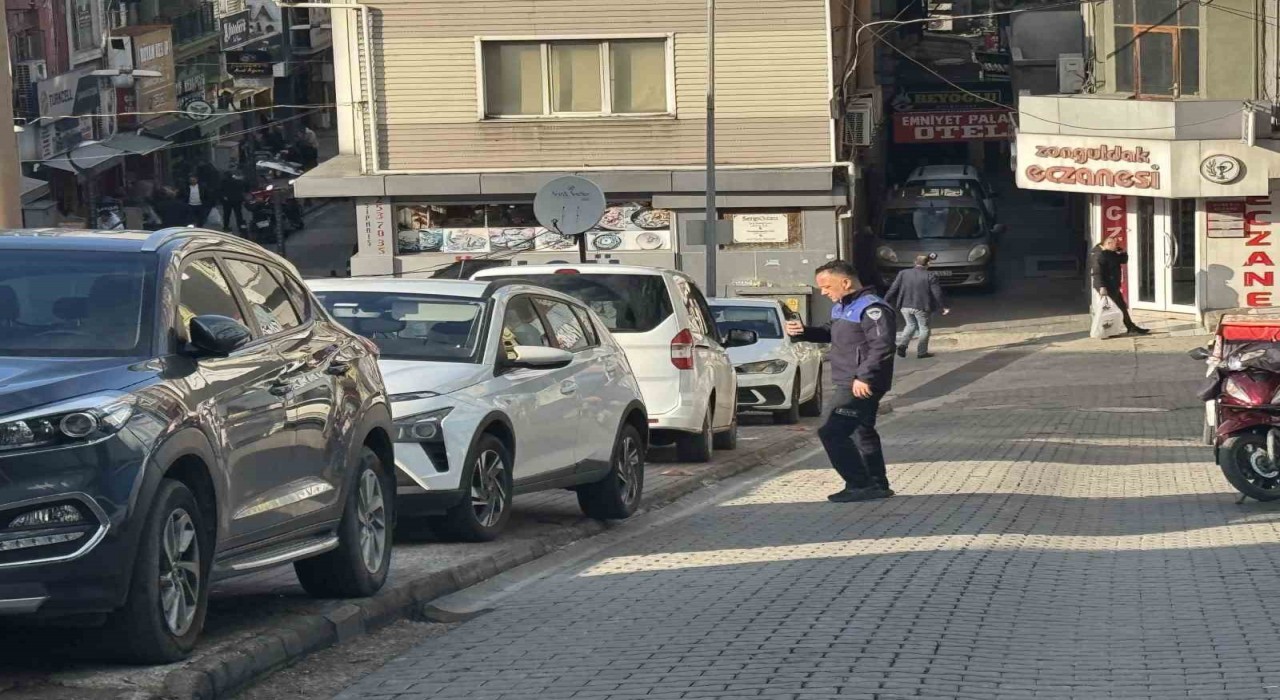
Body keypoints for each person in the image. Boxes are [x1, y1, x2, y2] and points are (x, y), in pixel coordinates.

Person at [785, 261, 897, 502]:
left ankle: (859, 484)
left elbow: (882, 346)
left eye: (826, 287)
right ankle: (877, 484)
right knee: (860, 431)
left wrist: (864, 377)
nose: (823, 293)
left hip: (859, 382)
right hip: (849, 379)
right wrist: (803, 331)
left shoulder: (871, 308)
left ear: (845, 282)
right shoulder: (843, 307)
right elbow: (831, 332)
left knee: (831, 432)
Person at [885, 254, 950, 359]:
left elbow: (893, 288)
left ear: (915, 262)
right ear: (928, 264)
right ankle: (922, 352)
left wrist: (885, 301)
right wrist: (944, 306)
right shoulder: (930, 275)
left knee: (910, 325)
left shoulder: (903, 273)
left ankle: (902, 345)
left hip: (904, 305)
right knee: (924, 328)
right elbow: (937, 293)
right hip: (922, 306)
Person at [1089, 234, 1149, 335]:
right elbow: (1097, 273)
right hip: (1107, 286)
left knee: (1121, 307)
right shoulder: (1099, 254)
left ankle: (1130, 327)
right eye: (1115, 245)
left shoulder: (1110, 253)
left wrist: (1122, 250)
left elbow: (1122, 260)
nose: (1116, 247)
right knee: (1109, 310)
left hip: (1113, 285)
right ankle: (1106, 330)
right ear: (1108, 243)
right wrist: (1101, 287)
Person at [220, 170, 248, 234]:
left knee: (227, 215)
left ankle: (226, 227)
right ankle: (241, 227)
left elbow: (220, 191)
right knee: (238, 214)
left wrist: (223, 198)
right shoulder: (237, 181)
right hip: (237, 200)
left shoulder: (223, 182)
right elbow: (245, 186)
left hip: (227, 201)